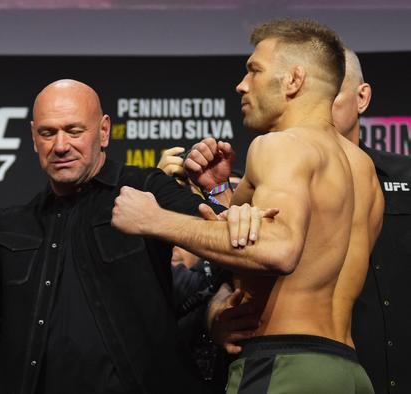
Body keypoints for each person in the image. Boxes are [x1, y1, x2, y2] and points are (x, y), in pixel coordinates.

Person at [0, 79, 272, 394]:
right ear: (33, 138)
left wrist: (212, 196)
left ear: (103, 131)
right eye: (48, 133)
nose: (60, 145)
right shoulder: (14, 223)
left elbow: (226, 240)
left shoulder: (145, 190)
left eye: (74, 130)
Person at [111, 19, 384, 393]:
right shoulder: (362, 167)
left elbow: (280, 249)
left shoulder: (280, 146)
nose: (242, 84)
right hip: (347, 370)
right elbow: (301, 248)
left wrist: (155, 219)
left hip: (284, 367)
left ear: (293, 81)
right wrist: (223, 193)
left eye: (254, 71)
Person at [334, 48, 411, 394]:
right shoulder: (283, 188)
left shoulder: (405, 173)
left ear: (361, 97)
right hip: (339, 374)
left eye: (331, 92)